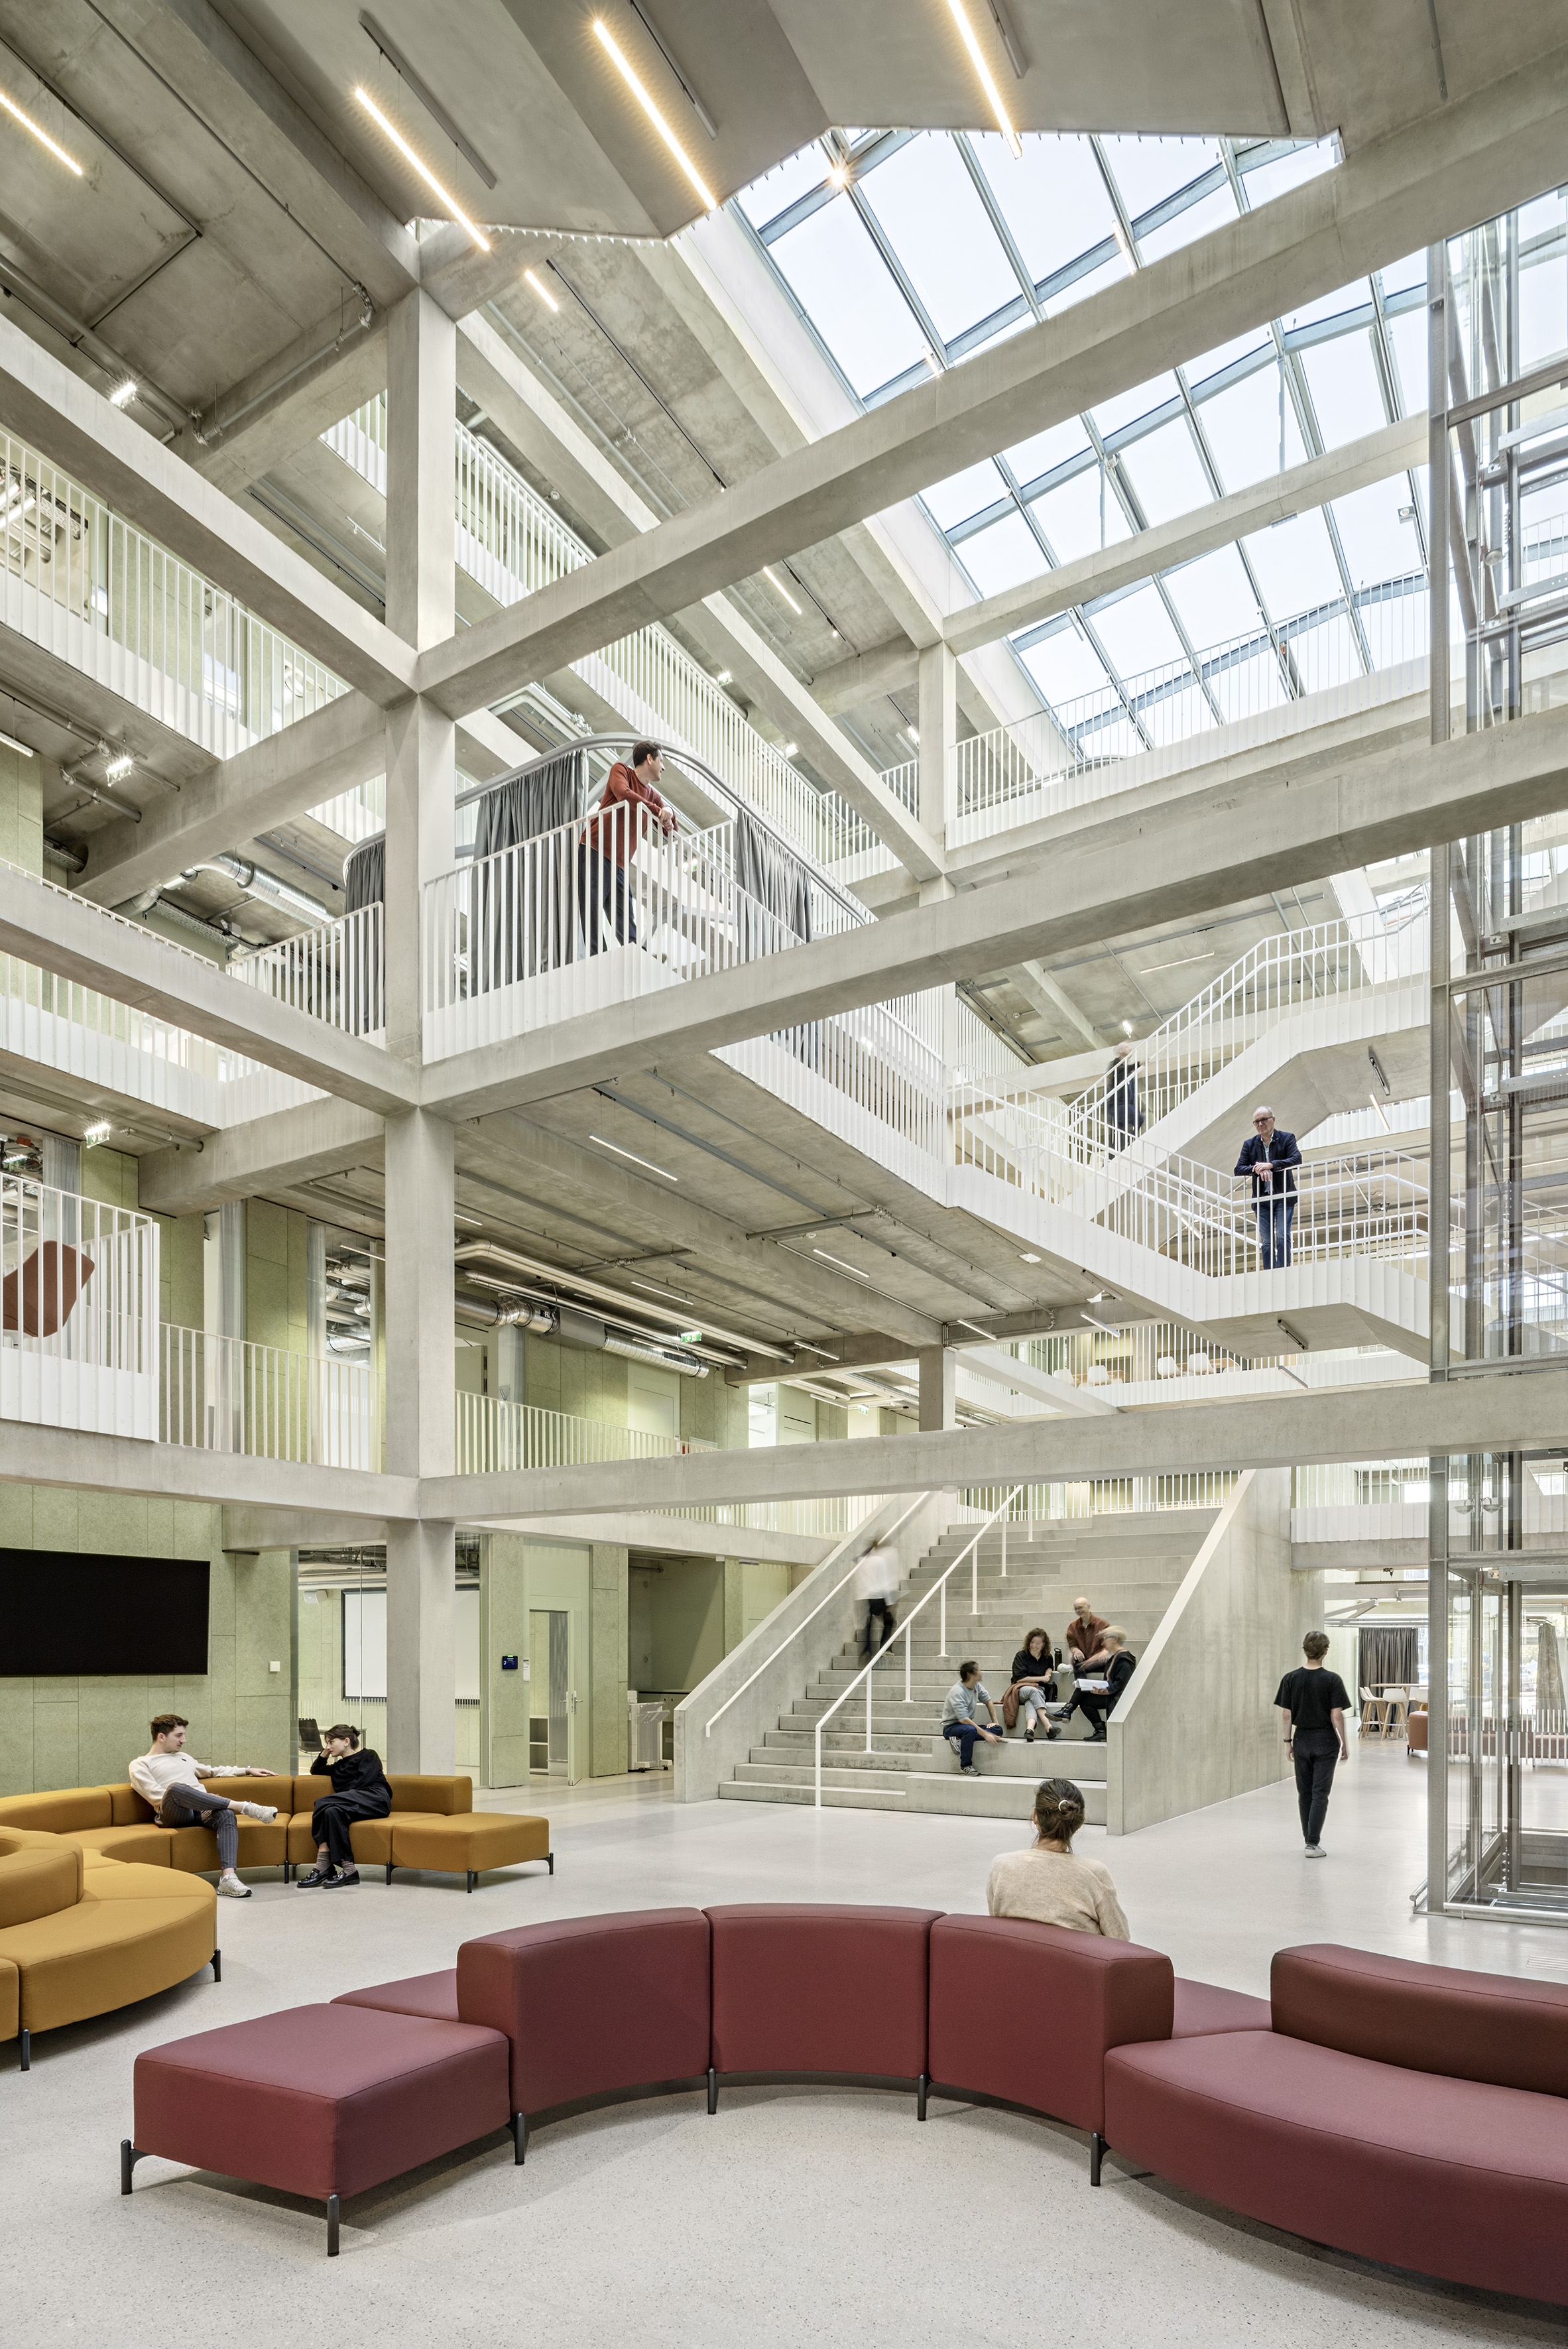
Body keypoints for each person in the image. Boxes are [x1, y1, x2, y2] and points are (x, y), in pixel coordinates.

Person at [128, 1713, 278, 1900]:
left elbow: (213, 1771)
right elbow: (156, 1796)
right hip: (173, 1814)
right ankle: (245, 1807)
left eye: (184, 1735)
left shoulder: (184, 1757)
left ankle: (228, 1878)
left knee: (226, 1814)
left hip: (201, 1810)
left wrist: (247, 1770)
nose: (184, 1740)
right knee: (175, 1789)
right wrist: (191, 1797)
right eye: (179, 1735)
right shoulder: (140, 1764)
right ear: (161, 1737)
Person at [986, 1777, 1129, 1938]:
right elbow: (1120, 1938)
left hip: (1017, 1954)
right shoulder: (1094, 1874)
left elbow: (998, 1926)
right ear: (1079, 1823)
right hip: (1075, 1954)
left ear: (1035, 1817)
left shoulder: (1001, 1867)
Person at [579, 740, 676, 951]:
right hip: (596, 848)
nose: (663, 767)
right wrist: (657, 810)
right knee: (592, 906)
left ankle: (635, 955)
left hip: (620, 863)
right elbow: (623, 793)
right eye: (661, 761)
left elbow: (670, 828)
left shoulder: (653, 795)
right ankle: (597, 956)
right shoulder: (621, 770)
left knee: (624, 916)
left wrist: (669, 811)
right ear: (649, 759)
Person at [1276, 1630, 1352, 1856]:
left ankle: (1308, 1840)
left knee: (1304, 1793)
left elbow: (1286, 1715)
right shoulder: (1332, 1680)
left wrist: (1288, 1742)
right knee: (1320, 1793)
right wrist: (1344, 1743)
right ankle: (1312, 1843)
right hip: (1326, 1740)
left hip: (1302, 1739)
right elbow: (1336, 1716)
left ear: (1305, 1650)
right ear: (1325, 1651)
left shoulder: (1291, 1679)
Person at [296, 1724, 393, 1889]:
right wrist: (325, 1753)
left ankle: (323, 1863)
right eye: (327, 1743)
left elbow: (363, 1783)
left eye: (331, 1742)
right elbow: (316, 1769)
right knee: (331, 1812)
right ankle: (349, 1870)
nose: (328, 1746)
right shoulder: (337, 1768)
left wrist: (340, 1798)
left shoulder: (368, 1755)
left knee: (322, 1803)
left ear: (346, 1741)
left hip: (375, 1799)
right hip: (351, 1804)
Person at [1235, 1104, 1303, 1269]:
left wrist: (1271, 1165)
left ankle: (1283, 1270)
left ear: (1273, 1120)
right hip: (1262, 1200)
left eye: (1264, 1120)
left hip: (1283, 1196)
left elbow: (1296, 1158)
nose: (1260, 1124)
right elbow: (1238, 1169)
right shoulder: (1249, 1144)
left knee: (1282, 1236)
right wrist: (1257, 1168)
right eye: (1257, 1122)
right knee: (1266, 1241)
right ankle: (1270, 1272)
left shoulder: (1287, 1138)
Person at [1074, 1628, 1136, 1741]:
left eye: (1105, 1639)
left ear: (1115, 1639)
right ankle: (1100, 1731)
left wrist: (1102, 1692)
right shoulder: (1115, 1657)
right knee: (1084, 1699)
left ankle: (1068, 1711)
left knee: (1084, 1698)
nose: (1102, 1643)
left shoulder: (1125, 1660)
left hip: (1118, 1698)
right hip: (1111, 1695)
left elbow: (1120, 1685)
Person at [942, 1661, 1002, 1774]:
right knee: (970, 1730)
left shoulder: (976, 1686)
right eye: (978, 1670)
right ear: (971, 1675)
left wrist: (995, 1722)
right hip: (951, 1727)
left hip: (966, 1726)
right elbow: (964, 1720)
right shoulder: (958, 1692)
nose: (981, 1672)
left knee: (997, 1730)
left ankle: (959, 1739)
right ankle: (965, 1767)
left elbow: (988, 1701)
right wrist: (985, 1734)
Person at [1061, 1595, 1111, 1720]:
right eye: (1076, 1609)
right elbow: (1072, 1645)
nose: (1078, 1611)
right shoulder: (1072, 1627)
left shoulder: (1102, 1624)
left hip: (1099, 1662)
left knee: (1108, 1663)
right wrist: (1076, 1650)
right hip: (1083, 1663)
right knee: (1077, 1663)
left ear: (1088, 1607)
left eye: (1081, 1608)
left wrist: (1105, 1652)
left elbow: (1109, 1645)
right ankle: (1070, 1708)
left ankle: (1069, 1709)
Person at [1006, 1628, 1060, 1742]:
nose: (1034, 1646)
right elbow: (1020, 1679)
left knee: (1031, 1701)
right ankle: (1048, 1727)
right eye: (1032, 1642)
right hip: (1021, 1689)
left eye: (1038, 1643)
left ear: (1044, 1644)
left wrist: (1048, 1673)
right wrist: (1042, 1678)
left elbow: (1050, 1666)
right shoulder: (1021, 1656)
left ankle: (1029, 1730)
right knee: (1033, 1692)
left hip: (1038, 1690)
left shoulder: (1048, 1657)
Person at [853, 1535, 898, 1660]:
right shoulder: (879, 1561)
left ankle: (867, 1649)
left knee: (870, 1623)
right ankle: (884, 1648)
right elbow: (884, 1582)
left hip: (865, 1597)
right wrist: (889, 1602)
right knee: (889, 1621)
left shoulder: (862, 1561)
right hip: (879, 1596)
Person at [1106, 1041, 1139, 1153]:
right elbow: (1121, 1070)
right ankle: (1129, 1143)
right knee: (1138, 1119)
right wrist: (1138, 1064)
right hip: (1116, 1105)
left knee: (1120, 1135)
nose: (1130, 1048)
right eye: (1126, 1046)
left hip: (1125, 1105)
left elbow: (1131, 1091)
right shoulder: (1115, 1065)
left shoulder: (1128, 1073)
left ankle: (1114, 1157)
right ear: (1120, 1051)